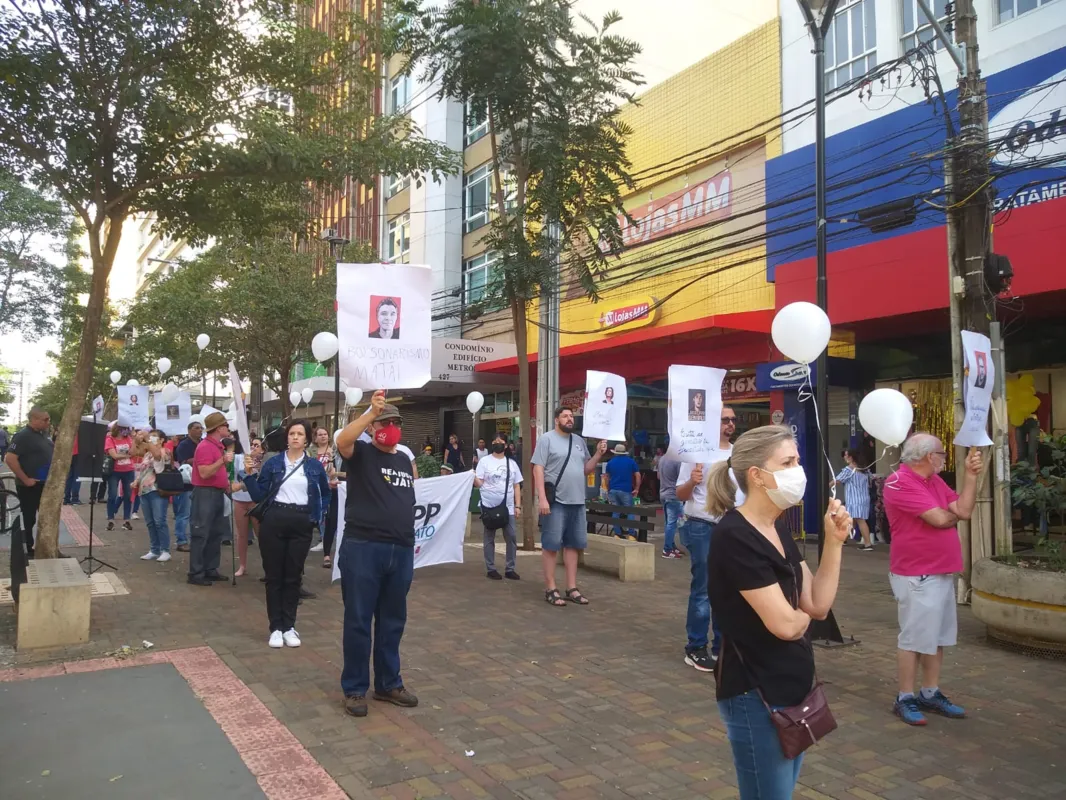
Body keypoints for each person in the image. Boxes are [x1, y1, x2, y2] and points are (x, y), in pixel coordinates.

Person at [707, 425, 850, 800]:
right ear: (756, 475)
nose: (798, 470)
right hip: (757, 694)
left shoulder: (776, 527)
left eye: (797, 461)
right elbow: (787, 625)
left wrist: (834, 544)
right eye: (787, 462)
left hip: (792, 689)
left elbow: (817, 604)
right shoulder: (735, 535)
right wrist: (799, 615)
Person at [883, 434, 981, 726]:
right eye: (941, 453)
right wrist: (951, 517)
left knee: (936, 637)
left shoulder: (934, 481)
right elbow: (940, 519)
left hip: (938, 570)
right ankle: (905, 696)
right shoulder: (898, 481)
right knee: (914, 638)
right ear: (928, 456)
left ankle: (930, 692)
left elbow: (962, 510)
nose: (944, 458)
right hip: (916, 573)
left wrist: (972, 476)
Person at [335, 391, 419, 718]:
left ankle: (388, 683)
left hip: (399, 551)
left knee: (392, 620)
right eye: (386, 422)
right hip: (363, 548)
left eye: (396, 422)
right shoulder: (362, 453)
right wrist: (371, 412)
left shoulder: (401, 459)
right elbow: (343, 439)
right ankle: (355, 688)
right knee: (358, 619)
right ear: (373, 427)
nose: (392, 427)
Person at [244, 420, 330, 648]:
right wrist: (249, 475)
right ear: (287, 438)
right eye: (292, 433)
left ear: (306, 439)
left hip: (301, 522)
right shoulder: (273, 464)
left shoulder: (314, 467)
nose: (295, 437)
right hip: (274, 520)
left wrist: (317, 515)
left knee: (293, 576)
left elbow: (325, 493)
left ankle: (289, 625)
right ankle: (275, 627)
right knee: (274, 577)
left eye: (300, 434)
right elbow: (260, 493)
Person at [676, 406, 737, 670]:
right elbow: (679, 494)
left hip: (731, 526)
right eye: (725, 420)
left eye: (734, 420)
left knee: (726, 589)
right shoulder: (696, 452)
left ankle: (722, 646)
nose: (730, 424)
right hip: (702, 525)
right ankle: (696, 646)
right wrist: (692, 481)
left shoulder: (739, 453)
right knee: (704, 587)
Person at [532, 407, 607, 607]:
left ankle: (572, 587)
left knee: (574, 544)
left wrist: (598, 454)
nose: (569, 419)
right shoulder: (546, 439)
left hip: (577, 501)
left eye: (572, 416)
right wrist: (542, 498)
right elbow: (537, 468)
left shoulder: (579, 441)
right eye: (565, 416)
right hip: (555, 501)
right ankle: (550, 587)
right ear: (557, 420)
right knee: (551, 545)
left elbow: (586, 469)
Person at [187, 412, 233, 586]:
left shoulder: (217, 446)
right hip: (205, 493)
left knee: (215, 532)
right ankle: (196, 572)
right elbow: (205, 472)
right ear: (219, 428)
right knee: (201, 532)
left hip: (216, 492)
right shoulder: (206, 446)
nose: (228, 429)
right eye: (226, 426)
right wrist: (222, 461)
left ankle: (210, 568)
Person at [4, 407, 53, 557]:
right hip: (30, 486)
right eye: (45, 419)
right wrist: (25, 479)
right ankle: (28, 548)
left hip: (44, 484)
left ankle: (47, 547)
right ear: (34, 419)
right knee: (29, 517)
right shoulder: (22, 436)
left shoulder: (43, 435)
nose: (48, 422)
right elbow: (10, 459)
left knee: (48, 517)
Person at [474, 432, 522, 580]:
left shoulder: (512, 464)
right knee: (489, 537)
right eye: (495, 441)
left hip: (507, 507)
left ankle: (510, 568)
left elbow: (516, 486)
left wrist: (517, 506)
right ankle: (491, 568)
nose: (497, 443)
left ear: (506, 445)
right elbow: (479, 483)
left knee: (512, 536)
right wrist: (473, 476)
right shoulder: (484, 462)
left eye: (500, 441)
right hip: (488, 506)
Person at [136, 428, 173, 562]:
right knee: (150, 522)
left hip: (157, 489)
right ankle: (154, 549)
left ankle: (165, 550)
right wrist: (136, 481)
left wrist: (147, 441)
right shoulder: (147, 454)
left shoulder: (164, 451)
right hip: (144, 490)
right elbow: (142, 467)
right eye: (149, 437)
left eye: (154, 437)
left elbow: (158, 458)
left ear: (162, 440)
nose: (150, 439)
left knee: (159, 521)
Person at [231, 436, 263, 577]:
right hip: (239, 500)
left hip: (256, 502)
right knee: (242, 535)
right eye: (252, 444)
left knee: (261, 535)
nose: (253, 447)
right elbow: (233, 477)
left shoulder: (264, 462)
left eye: (257, 445)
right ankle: (242, 565)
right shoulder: (238, 458)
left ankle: (267, 565)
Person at [308, 427, 339, 567]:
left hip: (334, 485)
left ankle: (330, 540)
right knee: (320, 512)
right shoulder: (311, 451)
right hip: (317, 485)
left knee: (332, 514)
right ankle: (322, 538)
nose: (323, 437)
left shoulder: (335, 449)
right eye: (320, 435)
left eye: (325, 434)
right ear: (315, 438)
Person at [833, 449, 873, 550]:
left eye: (846, 455)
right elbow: (871, 480)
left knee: (860, 520)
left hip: (854, 499)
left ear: (851, 457)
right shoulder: (865, 469)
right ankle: (843, 539)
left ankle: (868, 544)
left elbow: (837, 480)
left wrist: (826, 485)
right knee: (852, 520)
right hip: (864, 498)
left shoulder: (848, 469)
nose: (845, 457)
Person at [171, 421, 202, 552]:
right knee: (184, 514)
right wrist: (201, 458)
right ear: (189, 430)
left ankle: (194, 538)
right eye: (196, 428)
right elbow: (183, 461)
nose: (200, 430)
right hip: (187, 484)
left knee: (196, 514)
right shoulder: (184, 445)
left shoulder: (202, 443)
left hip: (200, 483)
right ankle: (181, 541)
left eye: (201, 428)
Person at [604, 443, 641, 540]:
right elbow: (638, 475)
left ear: (615, 452)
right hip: (625, 489)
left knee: (616, 512)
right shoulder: (631, 462)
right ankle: (631, 534)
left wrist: (608, 489)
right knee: (630, 511)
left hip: (613, 489)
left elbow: (607, 477)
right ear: (624, 452)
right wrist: (636, 488)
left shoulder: (610, 462)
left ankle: (617, 533)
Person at [104, 423, 137, 531]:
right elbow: (114, 455)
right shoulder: (110, 439)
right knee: (112, 495)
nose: (126, 431)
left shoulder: (128, 439)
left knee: (128, 495)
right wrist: (127, 455)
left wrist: (133, 439)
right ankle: (110, 520)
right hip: (114, 471)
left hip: (128, 470)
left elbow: (134, 452)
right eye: (125, 429)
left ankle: (127, 520)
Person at [657, 452, 684, 559]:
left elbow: (659, 476)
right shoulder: (678, 460)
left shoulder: (662, 459)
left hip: (663, 493)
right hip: (674, 495)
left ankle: (671, 546)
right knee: (675, 523)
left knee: (668, 522)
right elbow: (681, 478)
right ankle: (667, 549)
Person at [64, 433, 81, 505]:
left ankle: (66, 498)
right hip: (77, 453)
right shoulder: (80, 430)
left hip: (68, 453)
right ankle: (75, 498)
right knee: (77, 477)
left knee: (69, 477)